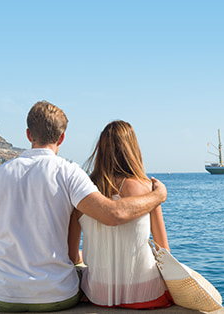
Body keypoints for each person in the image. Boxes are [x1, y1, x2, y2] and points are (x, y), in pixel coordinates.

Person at [0, 101, 167, 313]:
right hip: (58, 298)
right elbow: (112, 213)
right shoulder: (69, 173)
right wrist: (157, 195)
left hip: (1, 297)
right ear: (62, 138)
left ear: (29, 134)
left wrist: (4, 244)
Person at [68, 120, 173, 309]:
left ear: (101, 150)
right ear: (132, 149)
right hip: (146, 293)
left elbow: (72, 256)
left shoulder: (83, 193)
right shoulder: (149, 190)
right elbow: (164, 252)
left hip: (98, 294)